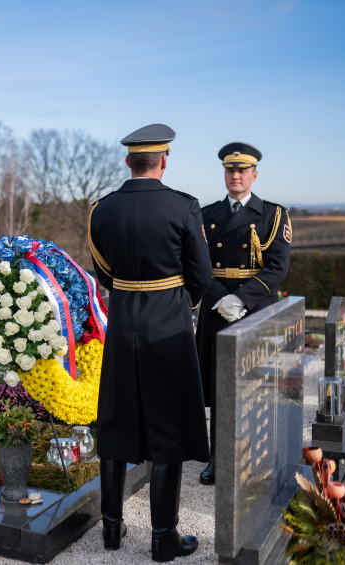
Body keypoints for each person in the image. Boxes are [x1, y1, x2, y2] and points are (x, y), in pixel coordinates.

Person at [88, 124, 212, 562]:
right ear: (164, 160)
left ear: (128, 162)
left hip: (122, 322)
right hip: (168, 323)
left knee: (116, 417)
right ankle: (163, 537)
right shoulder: (184, 207)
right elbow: (201, 274)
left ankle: (112, 530)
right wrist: (184, 302)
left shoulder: (101, 210)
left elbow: (103, 270)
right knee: (167, 425)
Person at [196, 142, 291, 485]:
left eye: (242, 170)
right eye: (229, 170)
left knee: (255, 386)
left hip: (255, 311)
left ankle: (256, 455)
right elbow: (197, 264)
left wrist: (243, 300)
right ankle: (219, 459)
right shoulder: (205, 215)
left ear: (254, 174)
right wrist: (221, 298)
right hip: (217, 308)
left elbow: (277, 266)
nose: (235, 175)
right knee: (222, 387)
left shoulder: (274, 215)